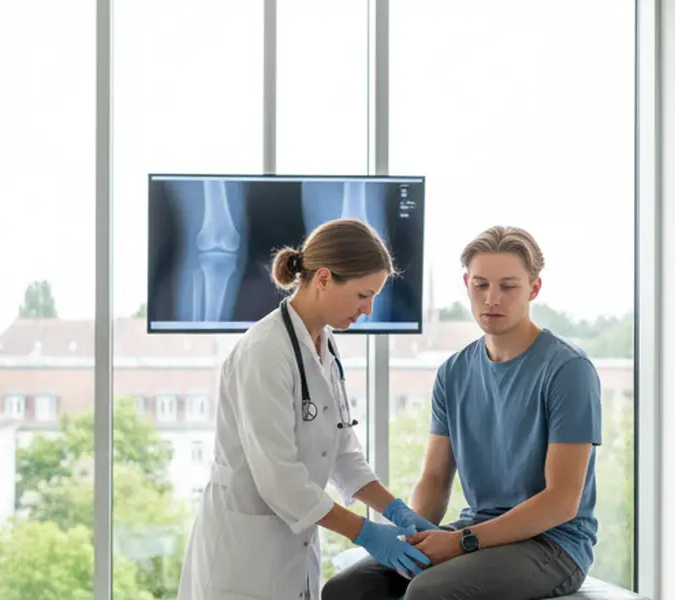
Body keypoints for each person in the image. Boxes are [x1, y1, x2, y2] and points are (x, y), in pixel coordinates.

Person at [322, 226, 603, 600]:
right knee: (349, 589)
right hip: (477, 533)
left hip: (553, 545)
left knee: (428, 593)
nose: (492, 299)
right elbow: (436, 477)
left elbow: (562, 501)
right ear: (467, 284)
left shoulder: (568, 370)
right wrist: (414, 535)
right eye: (481, 285)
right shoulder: (454, 372)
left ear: (533, 289)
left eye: (508, 286)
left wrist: (461, 542)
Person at [178, 218, 436, 600]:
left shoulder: (323, 346)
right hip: (244, 554)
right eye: (363, 295)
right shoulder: (265, 352)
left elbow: (343, 455)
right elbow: (280, 479)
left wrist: (396, 509)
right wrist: (365, 533)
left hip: (290, 550)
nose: (368, 310)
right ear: (324, 279)